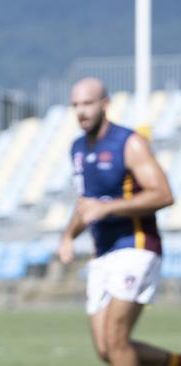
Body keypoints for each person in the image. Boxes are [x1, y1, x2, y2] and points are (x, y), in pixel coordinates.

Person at [58, 77, 178, 366]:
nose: (81, 111)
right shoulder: (77, 149)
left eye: (87, 103)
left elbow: (163, 194)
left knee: (116, 339)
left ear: (105, 104)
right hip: (104, 253)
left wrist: (109, 208)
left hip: (136, 246)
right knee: (106, 349)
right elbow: (87, 205)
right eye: (75, 105)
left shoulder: (129, 142)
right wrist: (67, 237)